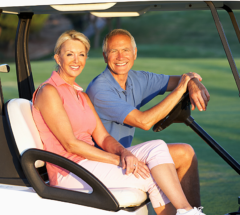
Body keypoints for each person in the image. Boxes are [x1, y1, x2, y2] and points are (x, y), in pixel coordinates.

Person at [32, 30, 205, 215]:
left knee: (157, 147)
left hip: (88, 163)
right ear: (58, 58)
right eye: (69, 54)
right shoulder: (49, 91)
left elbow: (103, 136)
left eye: (81, 54)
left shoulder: (81, 95)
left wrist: (124, 153)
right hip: (69, 171)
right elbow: (70, 144)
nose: (76, 60)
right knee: (151, 176)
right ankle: (189, 212)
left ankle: (189, 211)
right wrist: (119, 159)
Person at [86, 29, 211, 207]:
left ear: (135, 53)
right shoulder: (100, 89)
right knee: (158, 156)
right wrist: (182, 87)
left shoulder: (137, 78)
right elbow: (144, 122)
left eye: (126, 50)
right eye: (114, 51)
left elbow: (178, 80)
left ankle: (194, 212)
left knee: (185, 153)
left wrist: (192, 81)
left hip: (127, 154)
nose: (120, 56)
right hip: (105, 161)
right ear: (105, 56)